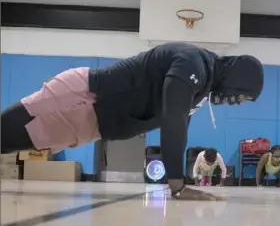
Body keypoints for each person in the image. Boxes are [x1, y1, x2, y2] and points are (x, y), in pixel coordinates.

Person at [1, 42, 264, 200]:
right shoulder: (192, 63)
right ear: (237, 78)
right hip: (82, 99)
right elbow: (174, 119)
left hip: (89, 123)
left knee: (9, 142)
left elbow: (180, 125)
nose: (237, 101)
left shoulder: (201, 88)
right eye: (242, 95)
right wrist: (177, 184)